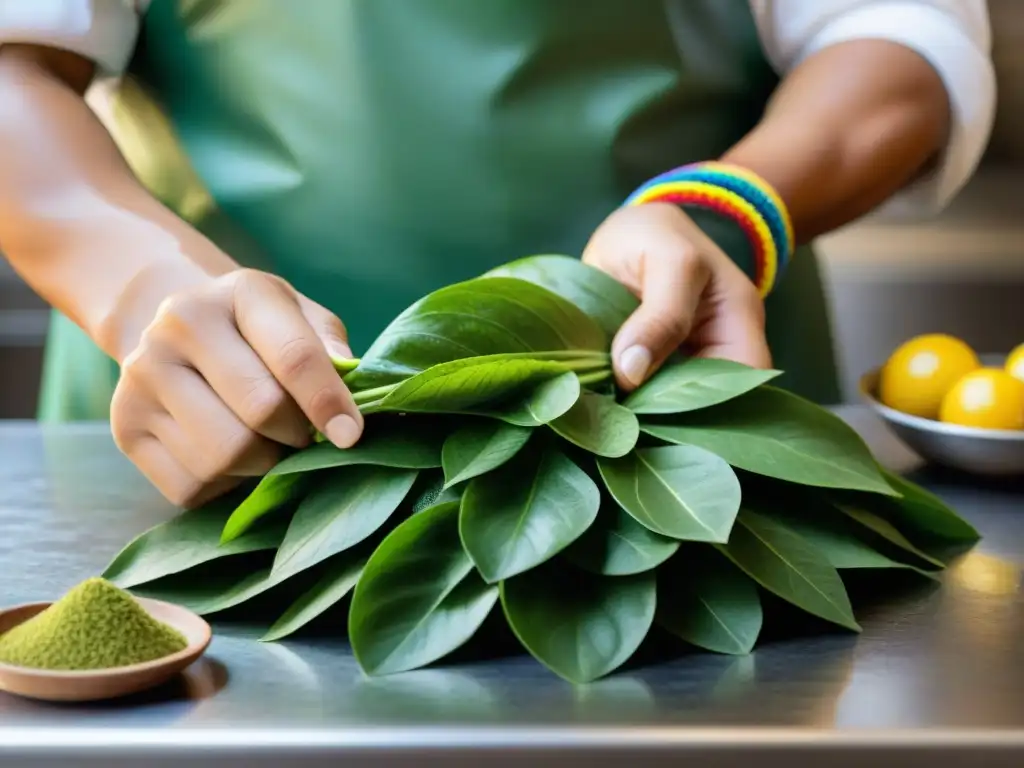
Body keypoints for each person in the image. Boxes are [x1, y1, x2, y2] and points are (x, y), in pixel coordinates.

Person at [0, 0, 996, 508]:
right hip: (211, 439)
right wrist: (142, 285)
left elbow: (894, 35)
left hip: (679, 424)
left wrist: (720, 211)